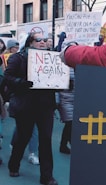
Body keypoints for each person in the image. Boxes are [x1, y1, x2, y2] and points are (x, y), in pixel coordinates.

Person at [5, 32, 58, 185]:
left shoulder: (53, 59)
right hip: (26, 105)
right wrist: (21, 82)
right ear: (30, 42)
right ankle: (14, 164)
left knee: (46, 140)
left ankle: (47, 176)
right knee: (23, 137)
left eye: (45, 40)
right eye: (38, 40)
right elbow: (8, 77)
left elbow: (58, 78)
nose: (43, 42)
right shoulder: (18, 58)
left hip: (45, 106)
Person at [58, 67, 75, 154]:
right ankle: (65, 145)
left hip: (75, 99)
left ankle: (64, 145)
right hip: (65, 99)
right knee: (70, 123)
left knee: (71, 124)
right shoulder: (64, 68)